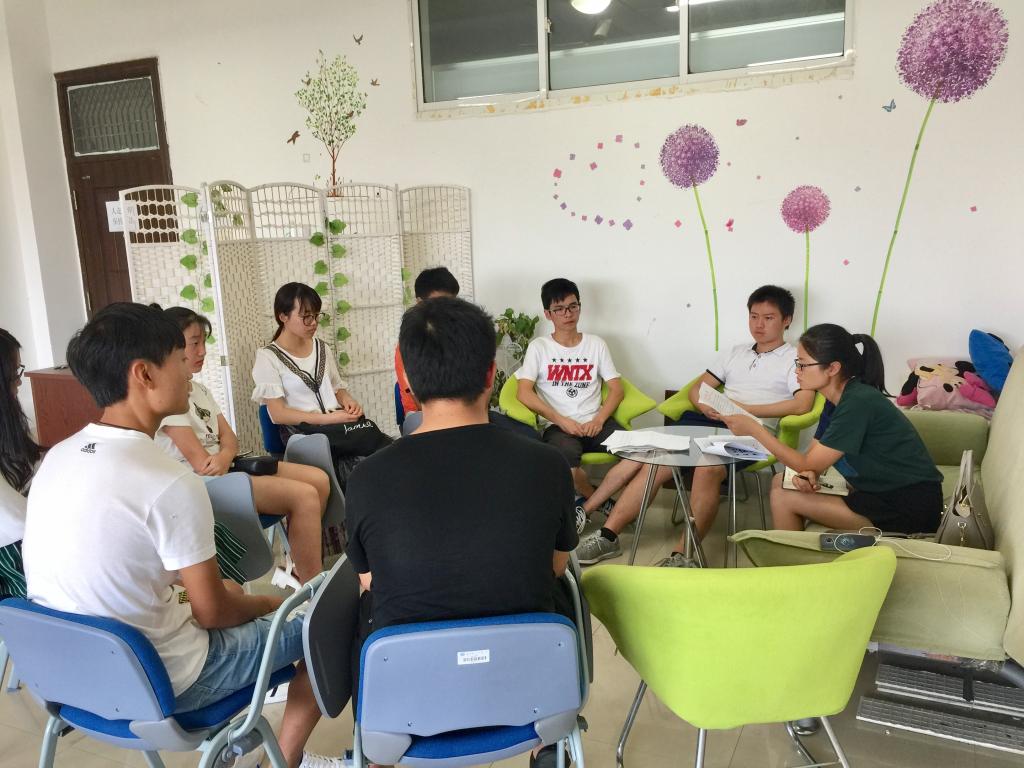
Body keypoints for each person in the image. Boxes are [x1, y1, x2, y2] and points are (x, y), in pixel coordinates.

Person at [22, 303, 332, 768]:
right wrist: (271, 603)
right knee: (328, 621)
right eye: (178, 358)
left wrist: (211, 596)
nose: (189, 369)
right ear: (144, 374)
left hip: (71, 680)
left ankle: (242, 744)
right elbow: (213, 613)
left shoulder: (56, 459)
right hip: (169, 682)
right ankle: (285, 759)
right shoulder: (167, 481)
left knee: (227, 594)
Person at [346, 296, 578, 768]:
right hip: (529, 695)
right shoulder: (547, 464)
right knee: (564, 590)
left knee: (366, 607)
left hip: (409, 701)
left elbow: (370, 581)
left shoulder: (368, 476)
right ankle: (546, 746)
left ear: (408, 382)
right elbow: (555, 567)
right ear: (491, 374)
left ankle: (377, 757)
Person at [575, 285, 815, 565]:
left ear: (787, 320)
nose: (759, 324)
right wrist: (705, 406)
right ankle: (608, 536)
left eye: (768, 318)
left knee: (707, 467)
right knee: (657, 460)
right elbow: (696, 389)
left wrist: (745, 411)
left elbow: (802, 405)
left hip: (753, 433)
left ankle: (684, 555)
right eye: (753, 316)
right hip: (711, 421)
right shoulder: (736, 352)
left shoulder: (795, 359)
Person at [155, 306, 329, 586]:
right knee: (305, 496)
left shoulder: (200, 390)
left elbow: (230, 438)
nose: (202, 351)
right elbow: (201, 463)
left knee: (318, 479)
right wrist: (224, 458)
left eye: (203, 343)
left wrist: (225, 455)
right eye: (194, 343)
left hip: (227, 468)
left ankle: (297, 564)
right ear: (171, 348)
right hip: (204, 482)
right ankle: (312, 585)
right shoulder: (167, 397)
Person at [722, 323, 943, 534]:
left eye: (803, 364)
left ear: (833, 368)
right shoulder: (835, 400)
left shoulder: (858, 402)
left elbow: (806, 463)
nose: (797, 370)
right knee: (782, 481)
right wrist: (809, 474)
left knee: (784, 497)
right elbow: (812, 460)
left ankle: (792, 561)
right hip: (875, 492)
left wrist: (755, 429)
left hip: (907, 507)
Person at [252, 282, 390, 484]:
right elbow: (278, 414)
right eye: (306, 316)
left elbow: (336, 388)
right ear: (283, 316)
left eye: (316, 315)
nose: (314, 323)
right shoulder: (267, 357)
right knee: (364, 467)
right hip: (303, 435)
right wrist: (329, 419)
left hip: (336, 426)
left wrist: (348, 401)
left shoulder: (321, 347)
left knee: (383, 452)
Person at [517, 278, 628, 526]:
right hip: (559, 428)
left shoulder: (596, 344)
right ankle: (604, 503)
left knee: (642, 454)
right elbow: (523, 393)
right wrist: (561, 420)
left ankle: (588, 507)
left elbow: (617, 390)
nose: (568, 314)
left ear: (579, 306)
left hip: (596, 422)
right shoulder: (539, 347)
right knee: (563, 467)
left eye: (572, 306)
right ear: (548, 314)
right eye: (559, 309)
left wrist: (599, 419)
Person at [0, 329, 40, 598]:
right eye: (14, 373)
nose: (19, 382)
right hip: (13, 542)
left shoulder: (11, 420)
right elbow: (14, 518)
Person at [395, 266, 460, 419]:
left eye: (452, 303)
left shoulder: (459, 335)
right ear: (420, 303)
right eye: (440, 304)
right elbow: (417, 399)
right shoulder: (409, 343)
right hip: (420, 414)